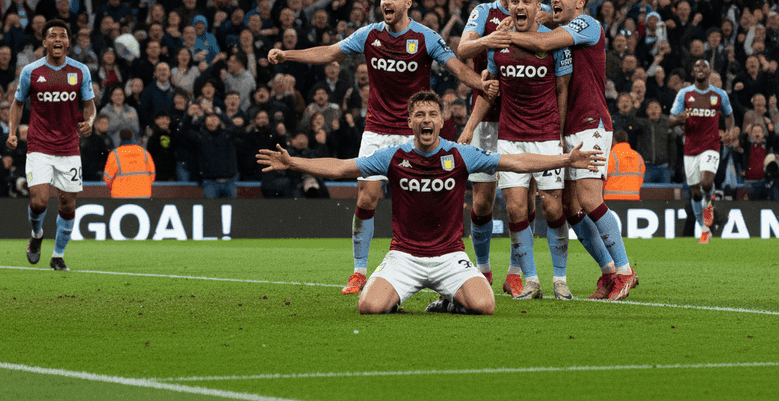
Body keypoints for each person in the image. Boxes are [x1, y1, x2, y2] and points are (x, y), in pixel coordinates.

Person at [258, 90, 604, 314]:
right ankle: (398, 293)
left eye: (431, 114)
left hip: (450, 256)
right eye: (419, 114)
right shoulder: (392, 156)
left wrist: (563, 160)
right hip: (404, 256)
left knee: (486, 307)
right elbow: (341, 168)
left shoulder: (461, 154)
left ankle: (450, 300)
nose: (426, 120)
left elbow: (516, 162)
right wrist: (294, 162)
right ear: (409, 122)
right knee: (369, 308)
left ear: (442, 120)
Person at [268, 0, 497, 296]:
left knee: (429, 197)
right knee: (366, 197)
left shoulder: (425, 37)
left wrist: (480, 84)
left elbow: (456, 67)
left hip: (414, 131)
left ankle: (444, 262)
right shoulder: (369, 34)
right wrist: (288, 55)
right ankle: (359, 271)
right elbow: (330, 53)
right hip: (376, 129)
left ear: (408, 3)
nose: (386, 2)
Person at [502, 0, 639, 301]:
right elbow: (540, 13)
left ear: (580, 3)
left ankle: (625, 272)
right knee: (571, 208)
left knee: (590, 199)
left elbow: (543, 43)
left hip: (590, 123)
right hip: (563, 127)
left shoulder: (587, 24)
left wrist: (500, 37)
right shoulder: (556, 23)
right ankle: (608, 272)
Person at [461, 0, 573, 301]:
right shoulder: (499, 46)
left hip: (547, 135)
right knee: (515, 210)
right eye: (515, 1)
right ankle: (532, 280)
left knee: (552, 207)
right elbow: (490, 89)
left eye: (527, 1)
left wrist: (561, 133)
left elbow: (562, 89)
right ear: (507, 6)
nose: (520, 6)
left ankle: (561, 279)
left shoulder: (555, 43)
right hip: (509, 138)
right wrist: (469, 128)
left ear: (539, 7)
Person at [456, 0, 538, 289]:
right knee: (482, 201)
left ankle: (515, 274)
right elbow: (462, 50)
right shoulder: (483, 13)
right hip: (487, 119)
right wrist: (493, 39)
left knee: (525, 201)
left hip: (526, 121)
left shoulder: (536, 14)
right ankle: (484, 268)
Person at [7, 20, 95, 271]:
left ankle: (57, 255)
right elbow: (18, 103)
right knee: (39, 202)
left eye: (62, 36)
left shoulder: (80, 71)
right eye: (52, 36)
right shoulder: (31, 72)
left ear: (68, 42)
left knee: (67, 204)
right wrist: (13, 133)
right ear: (44, 42)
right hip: (39, 145)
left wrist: (89, 121)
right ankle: (36, 236)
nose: (58, 39)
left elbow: (89, 104)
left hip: (69, 147)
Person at [669, 59, 734, 244]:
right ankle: (704, 229)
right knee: (695, 192)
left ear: (709, 71)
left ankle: (710, 196)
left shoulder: (719, 95)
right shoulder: (685, 94)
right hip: (690, 147)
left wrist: (729, 132)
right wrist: (679, 119)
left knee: (706, 182)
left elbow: (729, 115)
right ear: (693, 71)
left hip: (711, 145)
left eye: (704, 66)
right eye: (697, 66)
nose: (700, 69)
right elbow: (671, 118)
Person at [103, 127, 155, 197]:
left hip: (121, 195)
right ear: (132, 137)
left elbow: (107, 178)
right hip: (143, 194)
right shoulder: (144, 152)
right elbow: (152, 174)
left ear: (120, 138)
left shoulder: (114, 154)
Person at [603, 130, 646, 201]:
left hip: (611, 200)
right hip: (633, 199)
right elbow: (641, 178)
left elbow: (601, 178)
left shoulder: (610, 156)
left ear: (613, 140)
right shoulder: (638, 157)